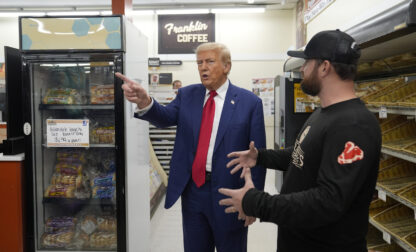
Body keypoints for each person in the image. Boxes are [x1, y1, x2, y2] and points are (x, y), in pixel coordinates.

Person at [218, 30, 382, 252]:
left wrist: (256, 202)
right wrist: (261, 157)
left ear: (324, 67)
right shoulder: (324, 112)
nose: (302, 68)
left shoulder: (353, 125)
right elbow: (302, 155)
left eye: (307, 62)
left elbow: (327, 202)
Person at [116, 42, 266, 252]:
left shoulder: (249, 103)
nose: (203, 67)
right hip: (194, 191)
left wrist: (254, 201)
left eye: (210, 61)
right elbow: (165, 117)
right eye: (199, 63)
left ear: (226, 66)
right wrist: (145, 101)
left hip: (231, 192)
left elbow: (259, 158)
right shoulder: (187, 95)